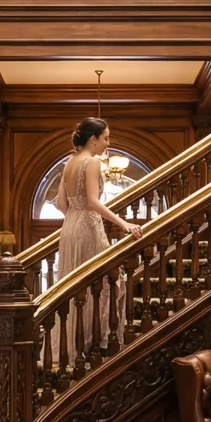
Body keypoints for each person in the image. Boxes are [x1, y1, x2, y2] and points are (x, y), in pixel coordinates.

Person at [54, 117, 140, 351]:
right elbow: (93, 201)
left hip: (70, 227)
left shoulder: (69, 163)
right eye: (105, 138)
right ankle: (93, 342)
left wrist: (75, 217)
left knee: (74, 285)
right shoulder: (91, 162)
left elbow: (61, 204)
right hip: (88, 226)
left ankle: (73, 345)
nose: (107, 144)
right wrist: (123, 223)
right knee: (101, 281)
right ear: (93, 139)